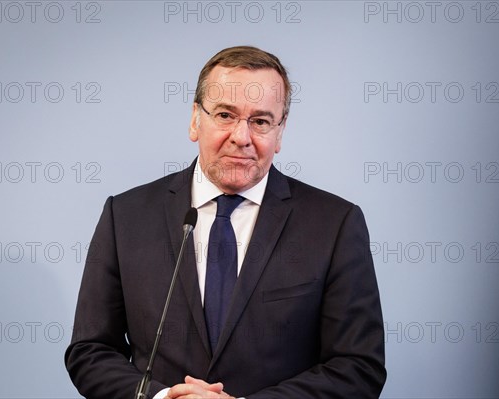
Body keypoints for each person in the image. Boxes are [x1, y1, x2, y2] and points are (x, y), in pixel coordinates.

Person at [65, 45, 386, 399]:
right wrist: (162, 398)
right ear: (194, 119)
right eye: (225, 115)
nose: (241, 137)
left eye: (261, 121)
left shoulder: (335, 224)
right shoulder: (125, 215)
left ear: (280, 132)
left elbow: (358, 366)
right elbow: (90, 351)